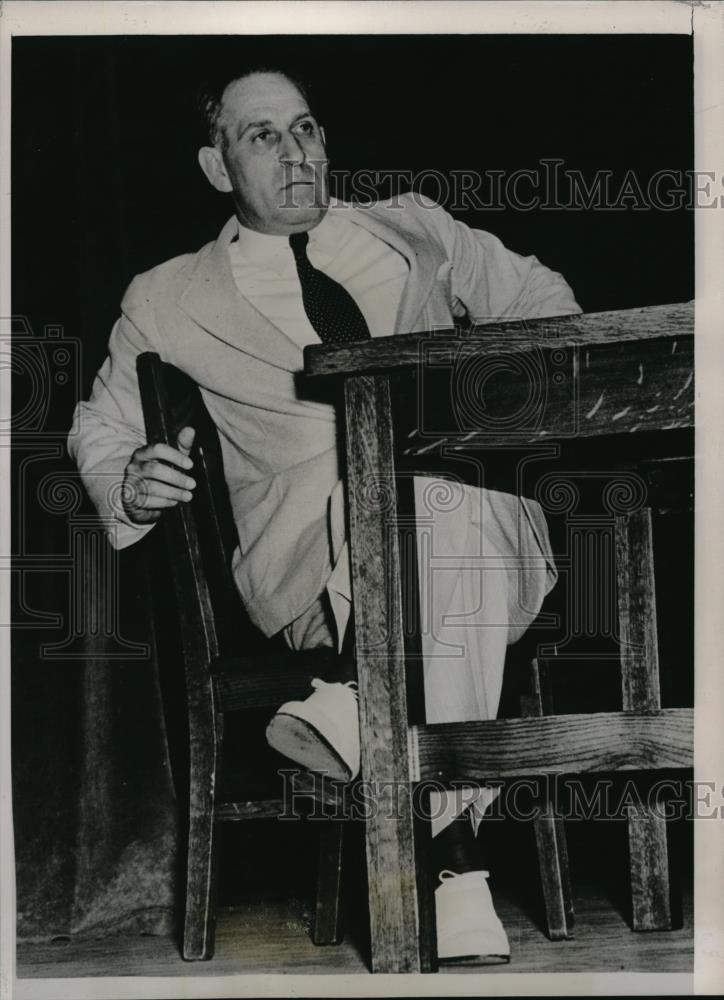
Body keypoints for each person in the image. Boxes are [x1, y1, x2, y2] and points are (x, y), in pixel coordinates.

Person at [68, 65, 581, 963]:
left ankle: (357, 714)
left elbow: (545, 300)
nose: (297, 151)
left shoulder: (416, 228)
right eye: (263, 135)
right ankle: (456, 867)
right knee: (420, 503)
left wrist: (500, 397)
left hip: (484, 544)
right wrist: (129, 478)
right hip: (316, 572)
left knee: (438, 494)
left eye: (306, 129)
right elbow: (100, 423)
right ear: (216, 166)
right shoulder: (167, 295)